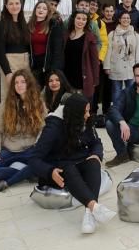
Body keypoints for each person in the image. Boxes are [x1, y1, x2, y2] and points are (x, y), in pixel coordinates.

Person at [28, 94, 115, 234]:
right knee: (68, 168)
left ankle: (90, 210)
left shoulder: (85, 121)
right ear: (75, 113)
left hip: (79, 162)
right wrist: (50, 171)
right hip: (59, 170)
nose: (88, 115)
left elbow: (96, 142)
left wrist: (96, 154)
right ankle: (94, 207)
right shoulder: (53, 127)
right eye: (85, 112)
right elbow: (33, 159)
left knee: (93, 162)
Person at [0, 70, 45, 195]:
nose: (19, 85)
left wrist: (39, 145)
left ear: (29, 84)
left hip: (30, 149)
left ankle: (15, 175)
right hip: (9, 149)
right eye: (16, 83)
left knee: (42, 164)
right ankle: (24, 171)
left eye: (23, 82)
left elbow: (44, 128)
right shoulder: (5, 105)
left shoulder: (39, 103)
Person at [105, 11, 139, 104]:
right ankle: (117, 111)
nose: (125, 20)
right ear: (119, 20)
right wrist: (107, 66)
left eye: (127, 18)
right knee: (116, 91)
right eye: (123, 18)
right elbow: (108, 50)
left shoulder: (135, 34)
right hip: (116, 66)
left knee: (131, 90)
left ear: (130, 20)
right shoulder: (112, 34)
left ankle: (129, 110)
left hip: (131, 66)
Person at [0, 0, 30, 90]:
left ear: (21, 5)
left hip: (25, 61)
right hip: (10, 62)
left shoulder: (23, 24)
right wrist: (7, 72)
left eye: (17, 3)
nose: (14, 6)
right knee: (9, 94)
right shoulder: (2, 25)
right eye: (11, 4)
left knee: (24, 94)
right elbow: (0, 51)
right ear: (6, 6)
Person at [63, 10, 100, 99]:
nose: (81, 21)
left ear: (87, 22)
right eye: (78, 18)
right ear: (73, 19)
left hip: (83, 75)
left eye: (84, 19)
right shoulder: (65, 35)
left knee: (84, 106)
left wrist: (95, 79)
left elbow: (94, 60)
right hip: (66, 75)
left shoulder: (89, 37)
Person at [26, 0, 64, 85]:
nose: (41, 10)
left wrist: (54, 69)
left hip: (48, 63)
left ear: (48, 12)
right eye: (38, 7)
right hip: (34, 63)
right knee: (35, 90)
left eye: (44, 8)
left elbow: (57, 49)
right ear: (35, 10)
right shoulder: (29, 26)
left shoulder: (53, 25)